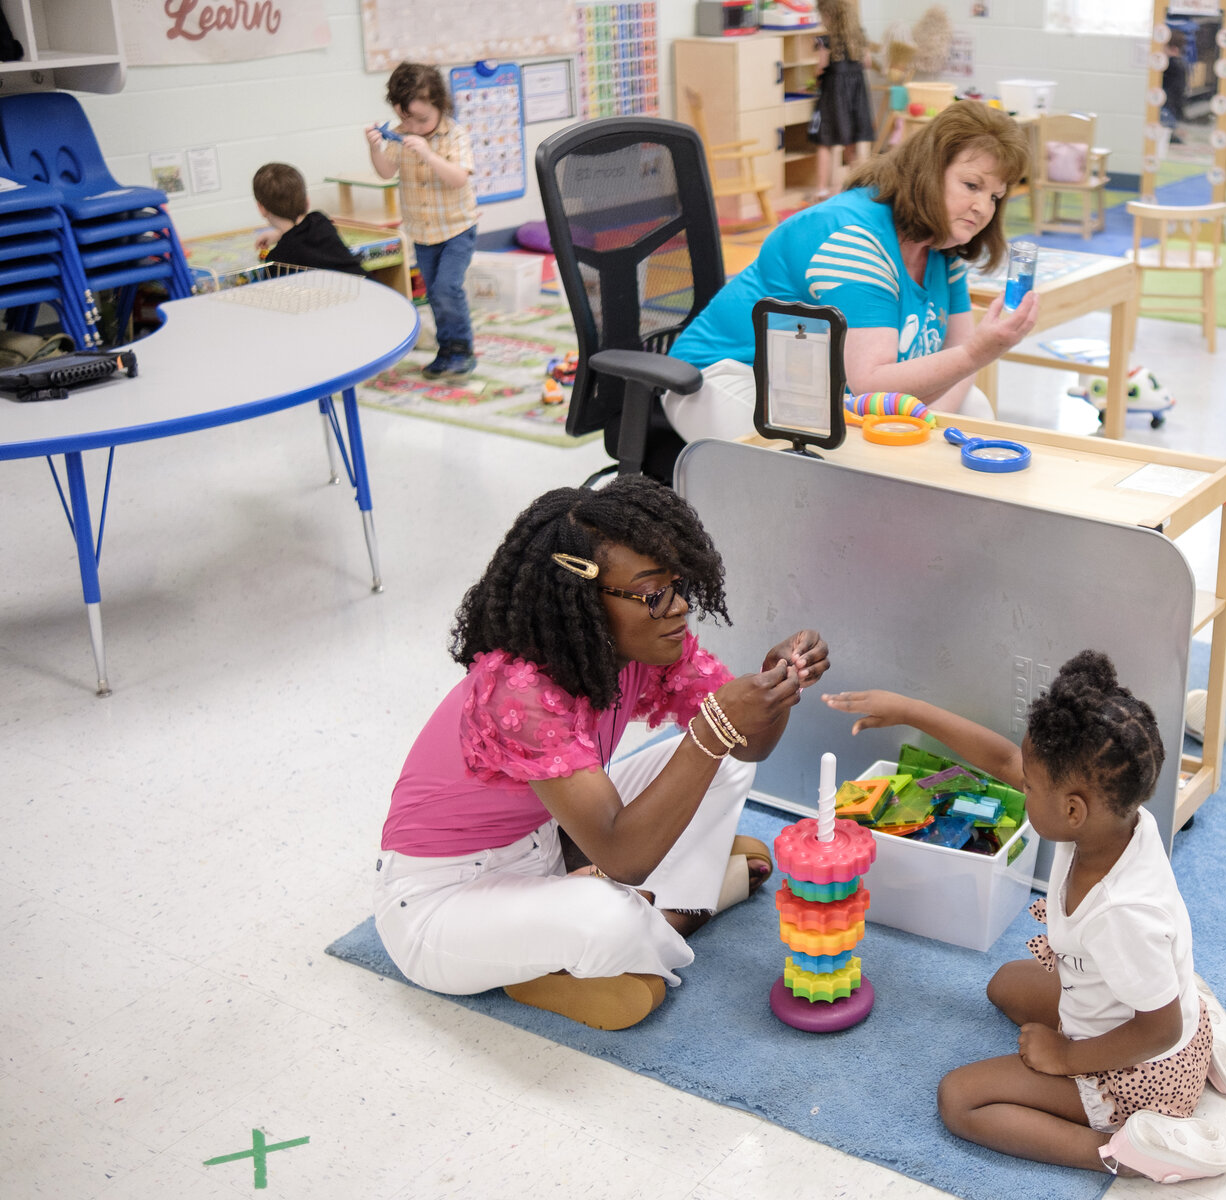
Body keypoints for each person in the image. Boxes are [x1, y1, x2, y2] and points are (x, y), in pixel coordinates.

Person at [375, 479, 831, 1032]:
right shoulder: (515, 691)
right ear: (584, 601)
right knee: (608, 918)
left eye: (677, 583)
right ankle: (678, 904)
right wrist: (717, 726)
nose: (680, 606)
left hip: (551, 842)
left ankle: (652, 908)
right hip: (444, 902)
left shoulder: (643, 646)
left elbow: (747, 740)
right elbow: (624, 857)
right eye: (652, 593)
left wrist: (772, 690)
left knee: (726, 756)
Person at [823, 652, 1226, 1184]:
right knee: (1005, 985)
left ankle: (1126, 1152)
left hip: (1141, 1071)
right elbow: (1006, 758)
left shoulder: (1122, 914)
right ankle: (1196, 1005)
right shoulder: (1115, 821)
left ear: (1073, 810)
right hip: (1141, 1015)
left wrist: (1067, 1057)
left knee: (960, 1100)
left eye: (1029, 787)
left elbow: (1158, 1029)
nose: (1018, 784)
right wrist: (911, 710)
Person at [668, 101, 1039, 440]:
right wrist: (977, 353)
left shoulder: (944, 247)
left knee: (971, 408)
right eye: (971, 185)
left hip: (815, 386)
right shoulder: (853, 239)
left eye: (994, 196)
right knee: (824, 459)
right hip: (728, 375)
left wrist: (925, 428)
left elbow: (958, 360)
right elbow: (872, 383)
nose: (982, 208)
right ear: (928, 171)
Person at [366, 62, 480, 381]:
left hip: (457, 228)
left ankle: (461, 350)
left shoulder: (455, 134)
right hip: (422, 232)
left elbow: (458, 178)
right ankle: (446, 350)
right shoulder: (400, 136)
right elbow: (386, 171)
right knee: (433, 292)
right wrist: (374, 148)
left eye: (422, 119)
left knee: (447, 286)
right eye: (406, 119)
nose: (413, 127)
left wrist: (429, 154)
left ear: (440, 105)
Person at [250, 163, 368, 277]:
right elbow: (301, 234)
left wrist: (281, 235)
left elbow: (295, 239)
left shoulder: (278, 260)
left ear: (261, 208)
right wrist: (280, 234)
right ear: (307, 202)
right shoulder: (321, 222)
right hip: (371, 287)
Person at [810, 0, 875, 202]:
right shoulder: (859, 37)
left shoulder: (825, 39)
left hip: (833, 95)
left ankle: (822, 189)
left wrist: (814, 78)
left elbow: (821, 67)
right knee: (851, 141)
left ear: (828, 16)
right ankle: (856, 185)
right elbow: (868, 62)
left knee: (825, 140)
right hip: (856, 95)